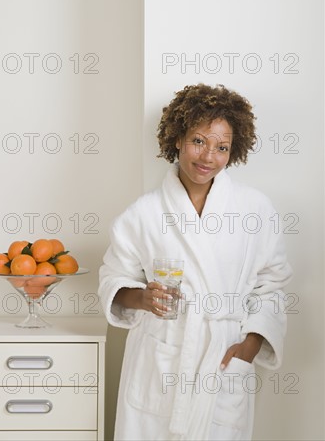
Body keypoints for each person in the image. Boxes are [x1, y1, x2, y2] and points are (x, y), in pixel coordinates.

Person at [99, 83, 292, 441]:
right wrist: (141, 297)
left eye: (221, 147)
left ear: (233, 151)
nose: (207, 157)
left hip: (221, 360)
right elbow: (113, 277)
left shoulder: (255, 210)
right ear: (177, 139)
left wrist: (248, 346)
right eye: (198, 141)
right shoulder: (143, 214)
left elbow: (272, 285)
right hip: (160, 359)